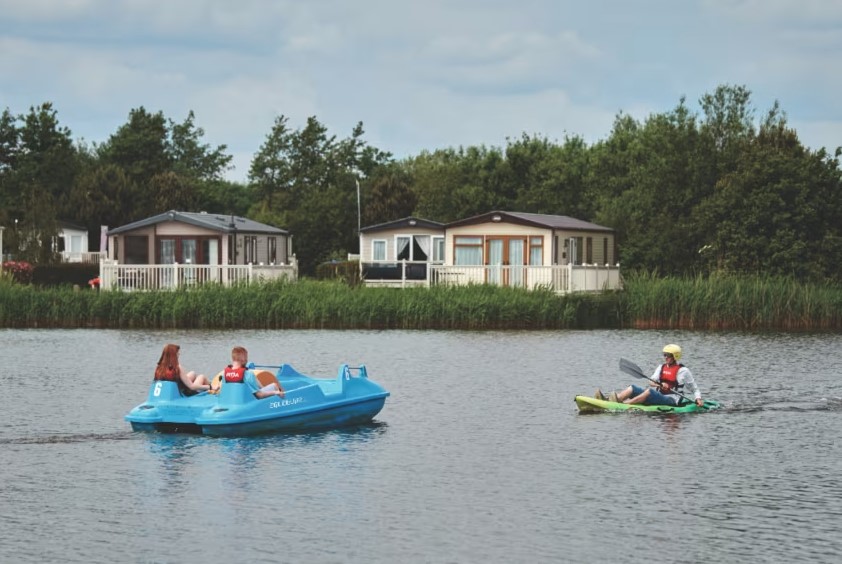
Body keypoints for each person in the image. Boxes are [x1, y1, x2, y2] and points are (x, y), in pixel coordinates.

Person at [599, 344, 704, 407]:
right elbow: (651, 381)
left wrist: (698, 399)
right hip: (659, 395)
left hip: (672, 399)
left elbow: (695, 389)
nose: (665, 357)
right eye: (664, 355)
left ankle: (622, 406)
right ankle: (609, 400)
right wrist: (659, 384)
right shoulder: (661, 367)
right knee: (632, 388)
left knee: (649, 392)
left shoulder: (683, 371)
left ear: (675, 356)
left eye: (667, 355)